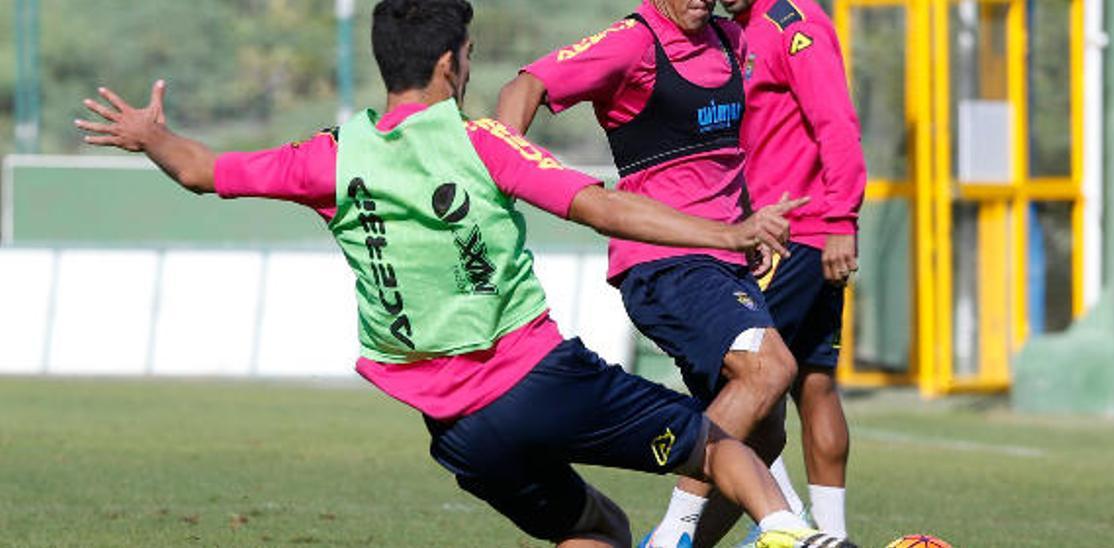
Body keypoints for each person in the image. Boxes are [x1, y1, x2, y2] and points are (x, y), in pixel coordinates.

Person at [74, 2, 853, 547]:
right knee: (721, 446)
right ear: (454, 62)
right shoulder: (483, 142)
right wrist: (729, 230)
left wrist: (152, 135)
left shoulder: (329, 154)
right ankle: (793, 534)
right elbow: (602, 208)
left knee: (595, 530)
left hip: (458, 433)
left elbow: (205, 172)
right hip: (543, 381)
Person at [495, 1, 814, 546]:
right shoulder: (631, 42)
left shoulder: (730, 40)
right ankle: (675, 532)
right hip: (663, 261)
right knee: (768, 369)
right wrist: (502, 170)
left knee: (763, 433)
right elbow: (525, 86)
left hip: (727, 260)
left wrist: (745, 222)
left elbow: (723, 156)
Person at [720, 0, 868, 542]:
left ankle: (791, 529)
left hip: (791, 238)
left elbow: (836, 121)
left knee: (743, 376)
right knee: (813, 381)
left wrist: (841, 220)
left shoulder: (793, 25)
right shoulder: (735, 29)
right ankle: (830, 536)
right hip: (795, 233)